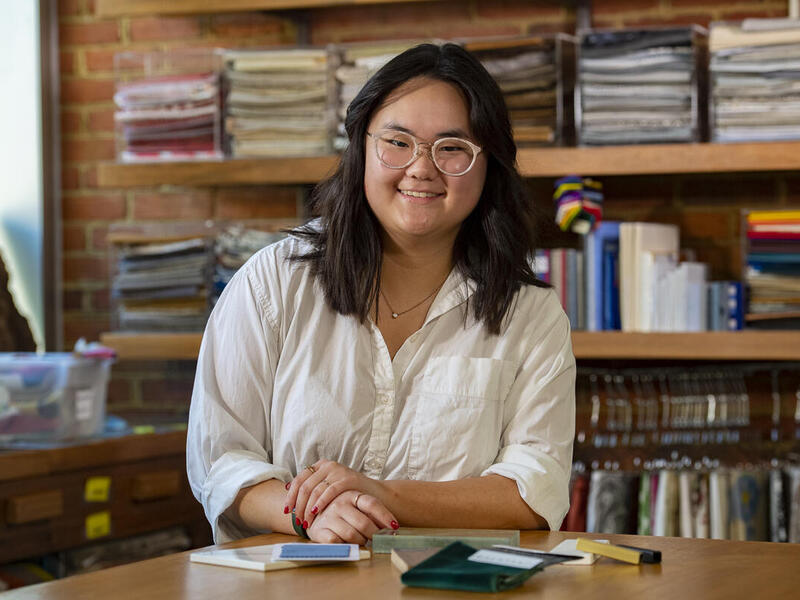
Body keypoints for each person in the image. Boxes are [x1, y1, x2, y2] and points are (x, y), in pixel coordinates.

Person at [187, 43, 575, 545]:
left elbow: (534, 489)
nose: (421, 168)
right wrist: (311, 516)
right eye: (397, 142)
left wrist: (383, 496)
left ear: (489, 165)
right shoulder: (274, 282)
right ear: (361, 148)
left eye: (452, 148)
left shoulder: (531, 315)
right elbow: (222, 459)